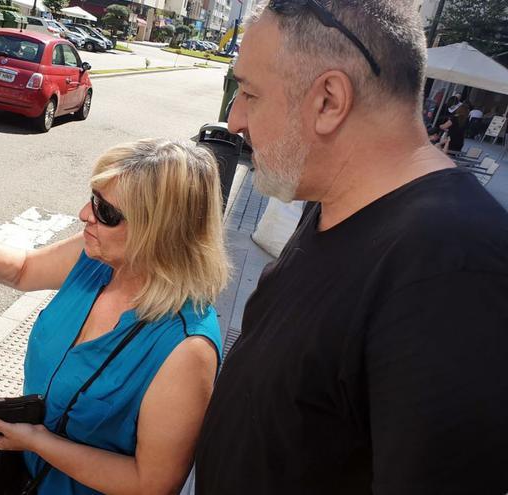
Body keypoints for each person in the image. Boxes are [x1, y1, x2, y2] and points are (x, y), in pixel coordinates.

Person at [194, 1, 508, 494]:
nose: (234, 121)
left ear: (328, 101)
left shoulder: (451, 266)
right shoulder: (337, 202)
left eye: (249, 93)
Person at [0, 138, 231, 494]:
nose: (85, 214)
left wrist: (38, 442)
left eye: (106, 212)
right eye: (93, 198)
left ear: (160, 232)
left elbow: (152, 484)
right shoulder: (97, 259)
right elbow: (24, 270)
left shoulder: (186, 347)